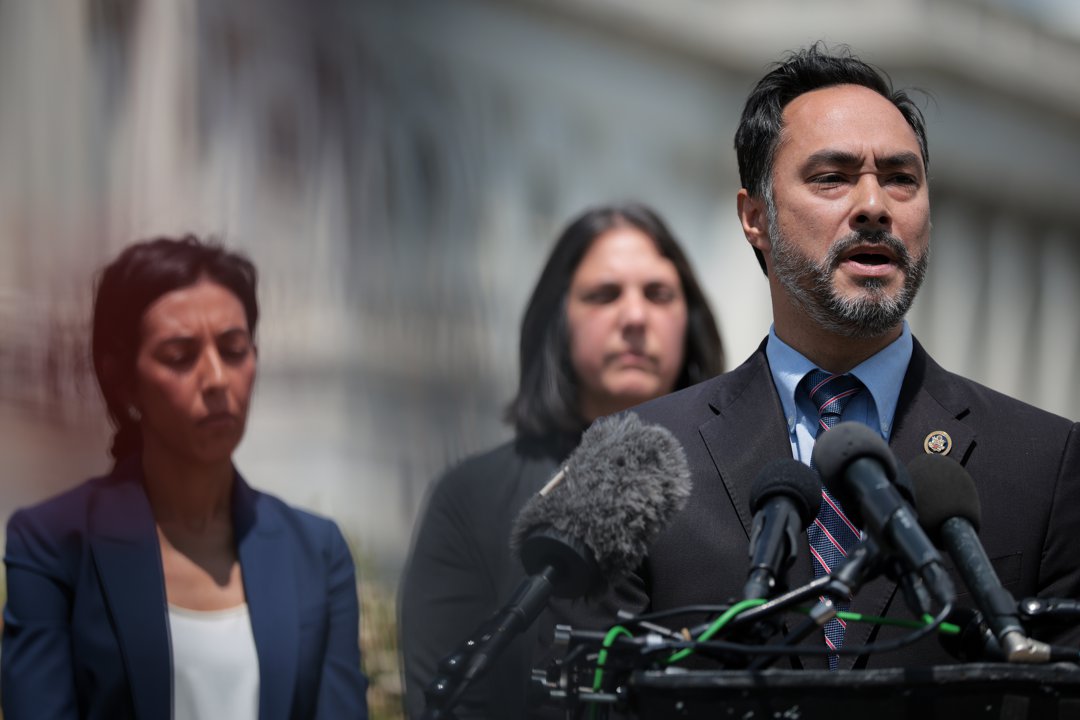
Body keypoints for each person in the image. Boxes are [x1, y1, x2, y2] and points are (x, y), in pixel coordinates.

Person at [554, 43, 1080, 674]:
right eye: (831, 178)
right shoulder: (630, 456)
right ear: (754, 216)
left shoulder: (1047, 465)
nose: (874, 206)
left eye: (900, 179)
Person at [1, 236, 369, 719]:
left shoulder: (316, 552)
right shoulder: (53, 543)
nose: (216, 379)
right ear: (122, 379)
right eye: (180, 355)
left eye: (234, 350)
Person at [399, 202, 725, 718]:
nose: (635, 317)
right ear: (557, 318)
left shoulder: (740, 480)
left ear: (691, 319)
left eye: (659, 294)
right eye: (604, 294)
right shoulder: (471, 496)